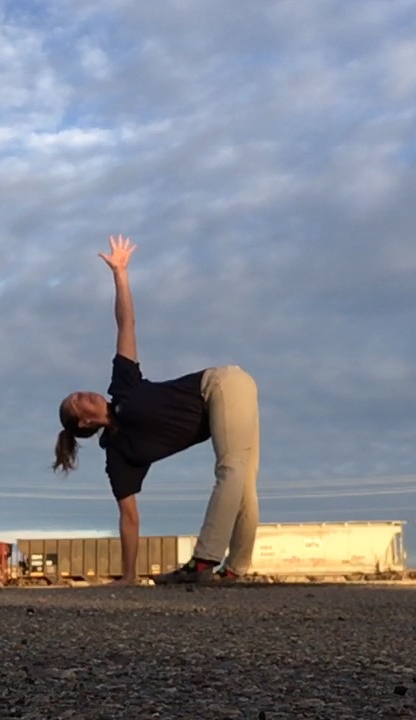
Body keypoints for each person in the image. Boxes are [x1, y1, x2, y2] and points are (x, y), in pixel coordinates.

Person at [52, 234, 261, 586]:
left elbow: (126, 324)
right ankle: (234, 569)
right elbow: (129, 516)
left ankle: (204, 561)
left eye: (79, 392)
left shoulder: (123, 386)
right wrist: (129, 576)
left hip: (221, 385)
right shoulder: (119, 455)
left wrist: (120, 274)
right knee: (240, 477)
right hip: (225, 402)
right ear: (84, 422)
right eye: (78, 401)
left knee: (234, 470)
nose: (85, 394)